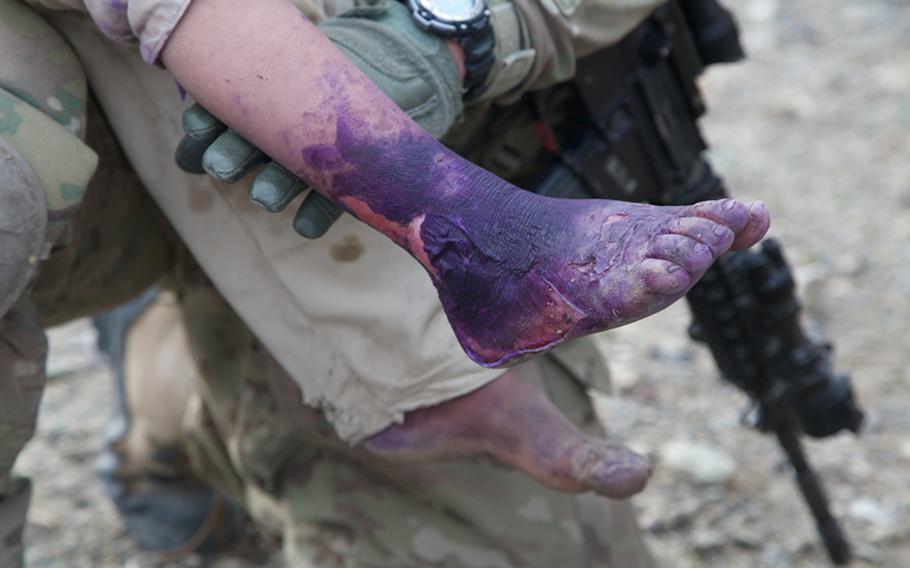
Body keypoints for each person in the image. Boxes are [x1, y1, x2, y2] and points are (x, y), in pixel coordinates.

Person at [0, 0, 769, 566]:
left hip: (339, 216)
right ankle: (471, 231)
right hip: (81, 142)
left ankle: (168, 379)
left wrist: (458, 33)